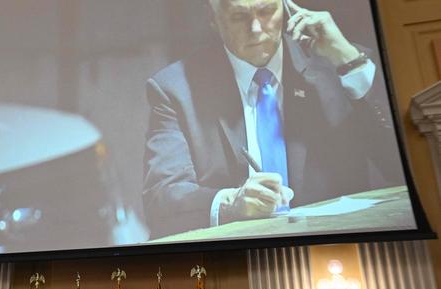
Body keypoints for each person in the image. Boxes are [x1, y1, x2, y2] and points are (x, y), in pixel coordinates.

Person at [142, 0, 401, 238]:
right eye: (239, 17)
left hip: (340, 246)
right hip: (239, 256)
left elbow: (397, 166)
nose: (256, 28)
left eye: (266, 11)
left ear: (287, 8)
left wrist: (349, 61)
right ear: (214, 20)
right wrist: (232, 203)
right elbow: (162, 195)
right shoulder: (175, 88)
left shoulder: (340, 64)